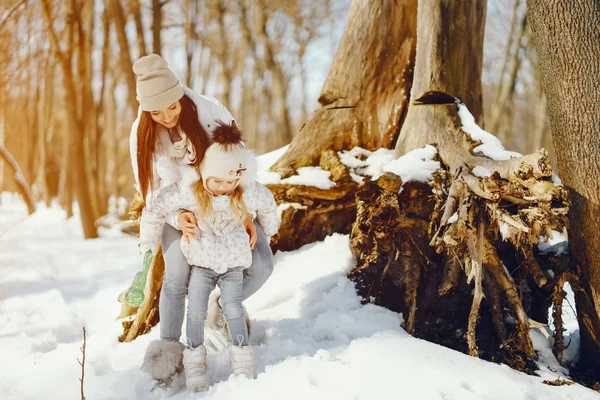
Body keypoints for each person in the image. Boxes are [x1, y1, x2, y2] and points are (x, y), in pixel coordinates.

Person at [128, 54, 275, 387]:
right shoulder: (142, 135)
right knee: (177, 274)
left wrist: (246, 212)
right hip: (176, 207)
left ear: (180, 95)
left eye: (172, 107)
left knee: (262, 263)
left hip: (226, 203)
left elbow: (239, 165)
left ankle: (222, 304)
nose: (166, 117)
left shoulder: (211, 113)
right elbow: (151, 192)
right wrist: (179, 218)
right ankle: (168, 351)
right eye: (156, 112)